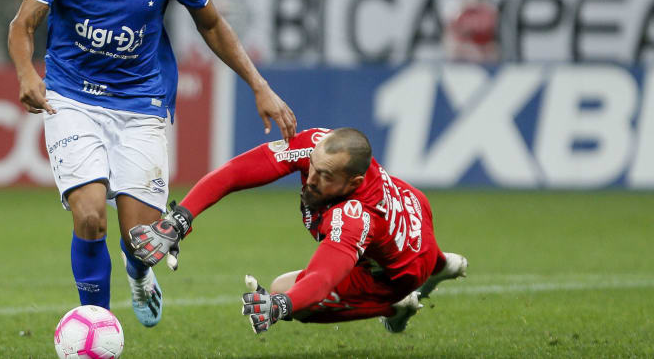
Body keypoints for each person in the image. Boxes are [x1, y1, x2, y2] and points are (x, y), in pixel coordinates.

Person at [6, 0, 296, 329]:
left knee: (142, 240)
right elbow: (24, 24)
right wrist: (25, 72)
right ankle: (96, 323)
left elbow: (213, 25)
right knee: (90, 216)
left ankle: (139, 273)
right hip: (72, 96)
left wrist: (259, 87)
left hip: (141, 103)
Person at [129, 127, 467, 334]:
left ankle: (399, 305)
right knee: (407, 248)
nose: (312, 180)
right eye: (313, 169)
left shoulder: (353, 216)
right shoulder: (319, 146)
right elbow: (236, 172)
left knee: (291, 295)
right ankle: (444, 265)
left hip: (399, 272)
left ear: (354, 183)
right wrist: (181, 218)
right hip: (412, 206)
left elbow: (322, 278)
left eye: (326, 177)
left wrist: (281, 305)